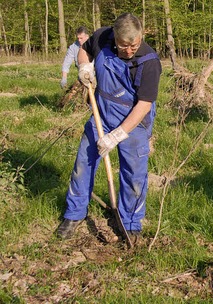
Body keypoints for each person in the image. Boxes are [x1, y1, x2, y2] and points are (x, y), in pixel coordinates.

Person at [55, 13, 162, 243]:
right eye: (124, 46)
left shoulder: (149, 61)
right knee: (83, 161)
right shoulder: (102, 36)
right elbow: (84, 49)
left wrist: (117, 135)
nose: (129, 50)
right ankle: (74, 214)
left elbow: (144, 105)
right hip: (101, 114)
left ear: (141, 37)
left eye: (134, 45)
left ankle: (130, 222)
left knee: (133, 173)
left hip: (134, 122)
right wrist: (84, 67)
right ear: (114, 37)